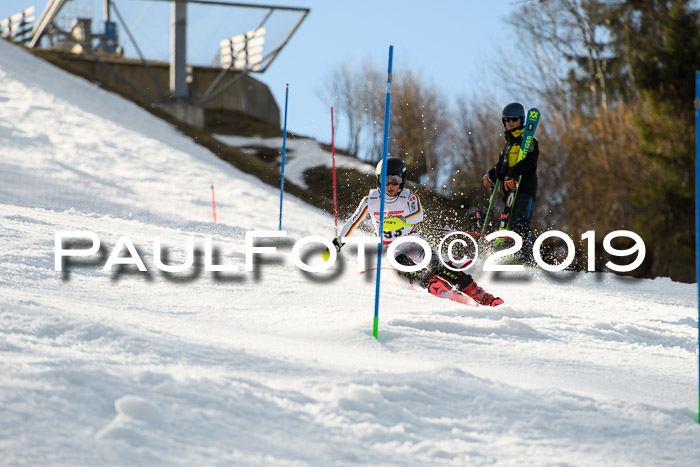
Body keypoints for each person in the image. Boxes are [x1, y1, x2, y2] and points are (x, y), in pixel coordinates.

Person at [329, 157, 503, 307]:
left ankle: (480, 295)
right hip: (393, 247)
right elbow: (353, 221)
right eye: (386, 179)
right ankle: (432, 283)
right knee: (400, 261)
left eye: (396, 180)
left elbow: (419, 215)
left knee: (438, 266)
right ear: (379, 179)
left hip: (413, 241)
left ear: (402, 180)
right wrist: (339, 241)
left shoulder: (409, 197)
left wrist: (401, 221)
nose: (391, 185)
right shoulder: (370, 200)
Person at [483, 102, 539, 258]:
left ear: (521, 120)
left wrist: (513, 173)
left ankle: (527, 258)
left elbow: (529, 162)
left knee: (519, 223)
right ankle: (507, 256)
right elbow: (501, 169)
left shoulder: (529, 141)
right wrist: (492, 175)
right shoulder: (507, 146)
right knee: (506, 225)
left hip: (524, 190)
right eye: (507, 119)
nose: (510, 122)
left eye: (514, 119)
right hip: (509, 193)